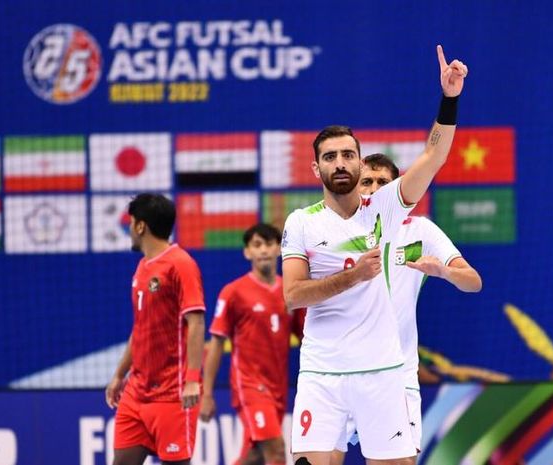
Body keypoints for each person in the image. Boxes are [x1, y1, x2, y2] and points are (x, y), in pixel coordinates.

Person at [282, 44, 468, 465]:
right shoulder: (302, 222)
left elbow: (434, 155)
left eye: (348, 154)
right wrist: (352, 276)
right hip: (321, 374)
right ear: (317, 170)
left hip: (382, 373)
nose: (340, 162)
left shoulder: (382, 207)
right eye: (330, 157)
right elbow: (293, 295)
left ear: (359, 161)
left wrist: (450, 98)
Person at [331, 153, 482, 463]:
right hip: (340, 372)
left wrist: (445, 272)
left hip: (395, 376)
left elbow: (473, 281)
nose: (374, 188)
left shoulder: (419, 230)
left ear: (396, 188)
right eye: (367, 181)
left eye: (383, 182)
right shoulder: (333, 229)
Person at [105, 193, 206, 465]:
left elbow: (196, 322)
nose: (130, 229)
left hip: (173, 394)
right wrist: (118, 375)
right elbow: (139, 329)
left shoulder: (181, 264)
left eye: (132, 222)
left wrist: (193, 379)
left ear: (141, 226)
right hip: (136, 394)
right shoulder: (141, 268)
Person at [200, 223, 305, 465]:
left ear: (279, 249)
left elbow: (307, 339)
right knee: (277, 450)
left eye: (269, 244)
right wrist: (207, 393)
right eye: (257, 245)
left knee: (254, 456)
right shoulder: (233, 292)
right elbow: (216, 344)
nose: (264, 250)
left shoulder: (291, 292)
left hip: (278, 388)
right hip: (249, 385)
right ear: (247, 252)